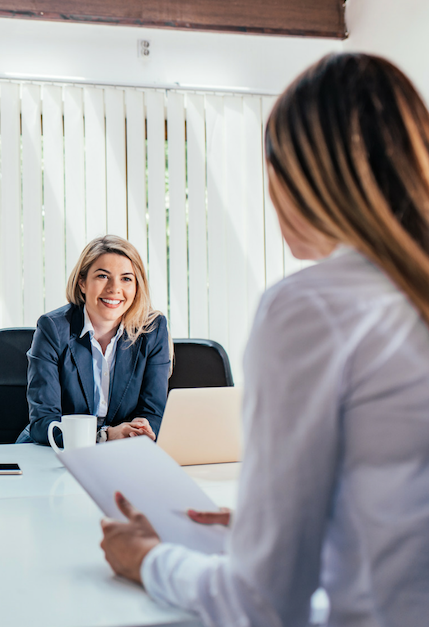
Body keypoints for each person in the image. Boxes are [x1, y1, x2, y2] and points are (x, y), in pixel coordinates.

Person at [100, 53, 429, 626]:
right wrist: (275, 523)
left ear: (301, 174)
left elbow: (264, 604)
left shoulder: (310, 306)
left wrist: (149, 560)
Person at [17, 235, 170, 446]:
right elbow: (44, 422)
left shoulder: (153, 329)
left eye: (126, 278)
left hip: (125, 453)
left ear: (137, 286)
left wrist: (141, 430)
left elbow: (154, 412)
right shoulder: (52, 328)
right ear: (82, 282)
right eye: (103, 276)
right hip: (55, 451)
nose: (114, 288)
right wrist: (105, 436)